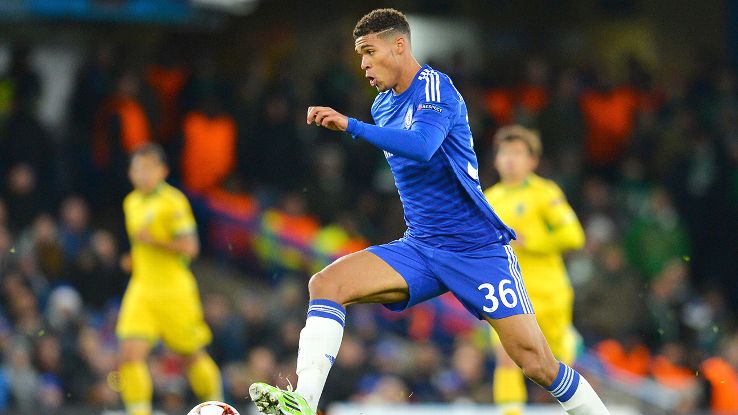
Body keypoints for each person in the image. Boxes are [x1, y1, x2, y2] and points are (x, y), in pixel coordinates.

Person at [248, 9, 609, 415]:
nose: (363, 64)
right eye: (360, 55)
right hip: (421, 247)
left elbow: (422, 146)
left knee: (537, 364)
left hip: (476, 251)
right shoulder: (383, 106)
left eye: (369, 51)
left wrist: (351, 126)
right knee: (326, 283)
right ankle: (304, 402)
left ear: (399, 46)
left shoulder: (436, 87)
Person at [484, 125, 585, 415]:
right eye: (504, 152)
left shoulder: (545, 193)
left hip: (548, 293)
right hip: (508, 293)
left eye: (517, 153)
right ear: (496, 159)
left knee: (554, 362)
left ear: (532, 161)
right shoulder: (488, 199)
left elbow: (574, 236)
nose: (510, 159)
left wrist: (530, 242)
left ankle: (569, 346)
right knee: (505, 355)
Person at [116, 144, 222, 415]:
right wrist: (134, 258)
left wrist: (155, 241)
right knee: (129, 355)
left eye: (147, 169)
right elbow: (142, 246)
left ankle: (217, 405)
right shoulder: (131, 202)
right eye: (136, 169)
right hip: (142, 289)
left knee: (191, 356)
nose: (141, 174)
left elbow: (191, 248)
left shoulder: (173, 202)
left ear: (162, 171)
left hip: (173, 291)